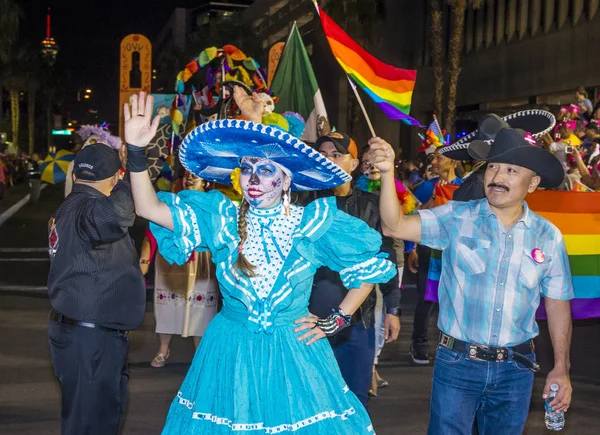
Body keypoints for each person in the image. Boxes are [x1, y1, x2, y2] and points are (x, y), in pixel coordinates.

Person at [124, 91, 395, 434]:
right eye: (247, 169)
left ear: (286, 181)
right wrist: (136, 153)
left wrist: (336, 320)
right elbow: (149, 209)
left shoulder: (309, 223)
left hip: (294, 354)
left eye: (265, 170)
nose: (253, 178)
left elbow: (368, 269)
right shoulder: (221, 219)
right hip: (229, 351)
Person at [371, 128, 574, 434]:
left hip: (516, 368)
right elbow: (394, 226)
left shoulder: (548, 236)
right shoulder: (456, 217)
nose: (497, 176)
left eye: (511, 170)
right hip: (458, 364)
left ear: (532, 183)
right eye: (492, 166)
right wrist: (387, 174)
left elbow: (558, 306)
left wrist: (561, 368)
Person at [47, 143, 146, 435]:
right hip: (90, 342)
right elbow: (117, 216)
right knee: (90, 426)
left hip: (85, 336)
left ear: (76, 175)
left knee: (95, 421)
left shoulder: (71, 205)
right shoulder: (88, 207)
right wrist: (136, 165)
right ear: (115, 178)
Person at [309, 133, 401, 407]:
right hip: (308, 321)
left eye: (337, 155)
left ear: (355, 164)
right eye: (322, 155)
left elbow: (386, 257)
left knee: (354, 400)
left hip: (358, 323)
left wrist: (392, 310)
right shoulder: (303, 204)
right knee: (313, 403)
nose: (329, 160)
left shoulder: (372, 204)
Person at [142, 170, 219, 367]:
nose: (190, 178)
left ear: (206, 182)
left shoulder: (214, 204)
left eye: (195, 175)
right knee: (166, 306)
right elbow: (152, 231)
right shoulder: (173, 201)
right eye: (186, 174)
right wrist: (144, 260)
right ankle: (163, 349)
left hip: (202, 261)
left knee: (201, 311)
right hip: (172, 260)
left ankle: (200, 355)